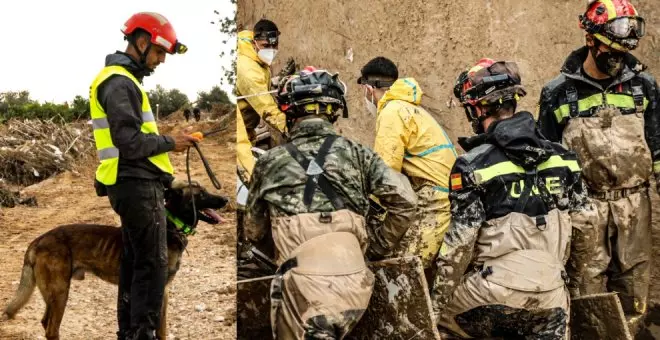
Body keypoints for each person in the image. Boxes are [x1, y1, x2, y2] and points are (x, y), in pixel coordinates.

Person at [245, 67, 417, 339]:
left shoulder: (269, 162)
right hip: (357, 284)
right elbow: (405, 201)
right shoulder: (360, 154)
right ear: (335, 111)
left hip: (301, 289)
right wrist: (375, 247)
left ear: (290, 112)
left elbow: (253, 232)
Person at [431, 58, 587, 339]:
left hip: (493, 291)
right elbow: (587, 227)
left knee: (444, 325)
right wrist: (569, 289)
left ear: (476, 108)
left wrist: (436, 304)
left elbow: (460, 244)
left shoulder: (472, 165)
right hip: (551, 292)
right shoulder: (564, 158)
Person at [537, 0, 659, 332]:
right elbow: (546, 157)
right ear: (590, 39)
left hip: (635, 203)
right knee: (586, 285)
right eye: (612, 51)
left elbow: (657, 143)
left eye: (625, 52)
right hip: (584, 204)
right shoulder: (557, 93)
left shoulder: (643, 85)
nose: (619, 61)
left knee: (634, 282)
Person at [89, 12, 199, 340]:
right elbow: (129, 141)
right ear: (141, 42)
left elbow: (131, 136)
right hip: (134, 185)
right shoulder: (119, 82)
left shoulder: (123, 81)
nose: (162, 60)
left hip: (132, 183)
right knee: (151, 266)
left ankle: (130, 334)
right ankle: (142, 334)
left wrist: (171, 139)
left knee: (135, 264)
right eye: (159, 52)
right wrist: (172, 141)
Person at [358, 57, 456, 281]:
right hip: (437, 196)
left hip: (434, 203)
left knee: (402, 276)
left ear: (368, 88)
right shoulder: (410, 108)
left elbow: (385, 174)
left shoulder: (392, 112)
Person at [236, 19, 288, 147]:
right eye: (265, 46)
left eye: (274, 45)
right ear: (255, 42)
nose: (271, 50)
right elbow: (266, 108)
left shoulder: (255, 55)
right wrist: (290, 128)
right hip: (238, 135)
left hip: (248, 130)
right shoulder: (248, 70)